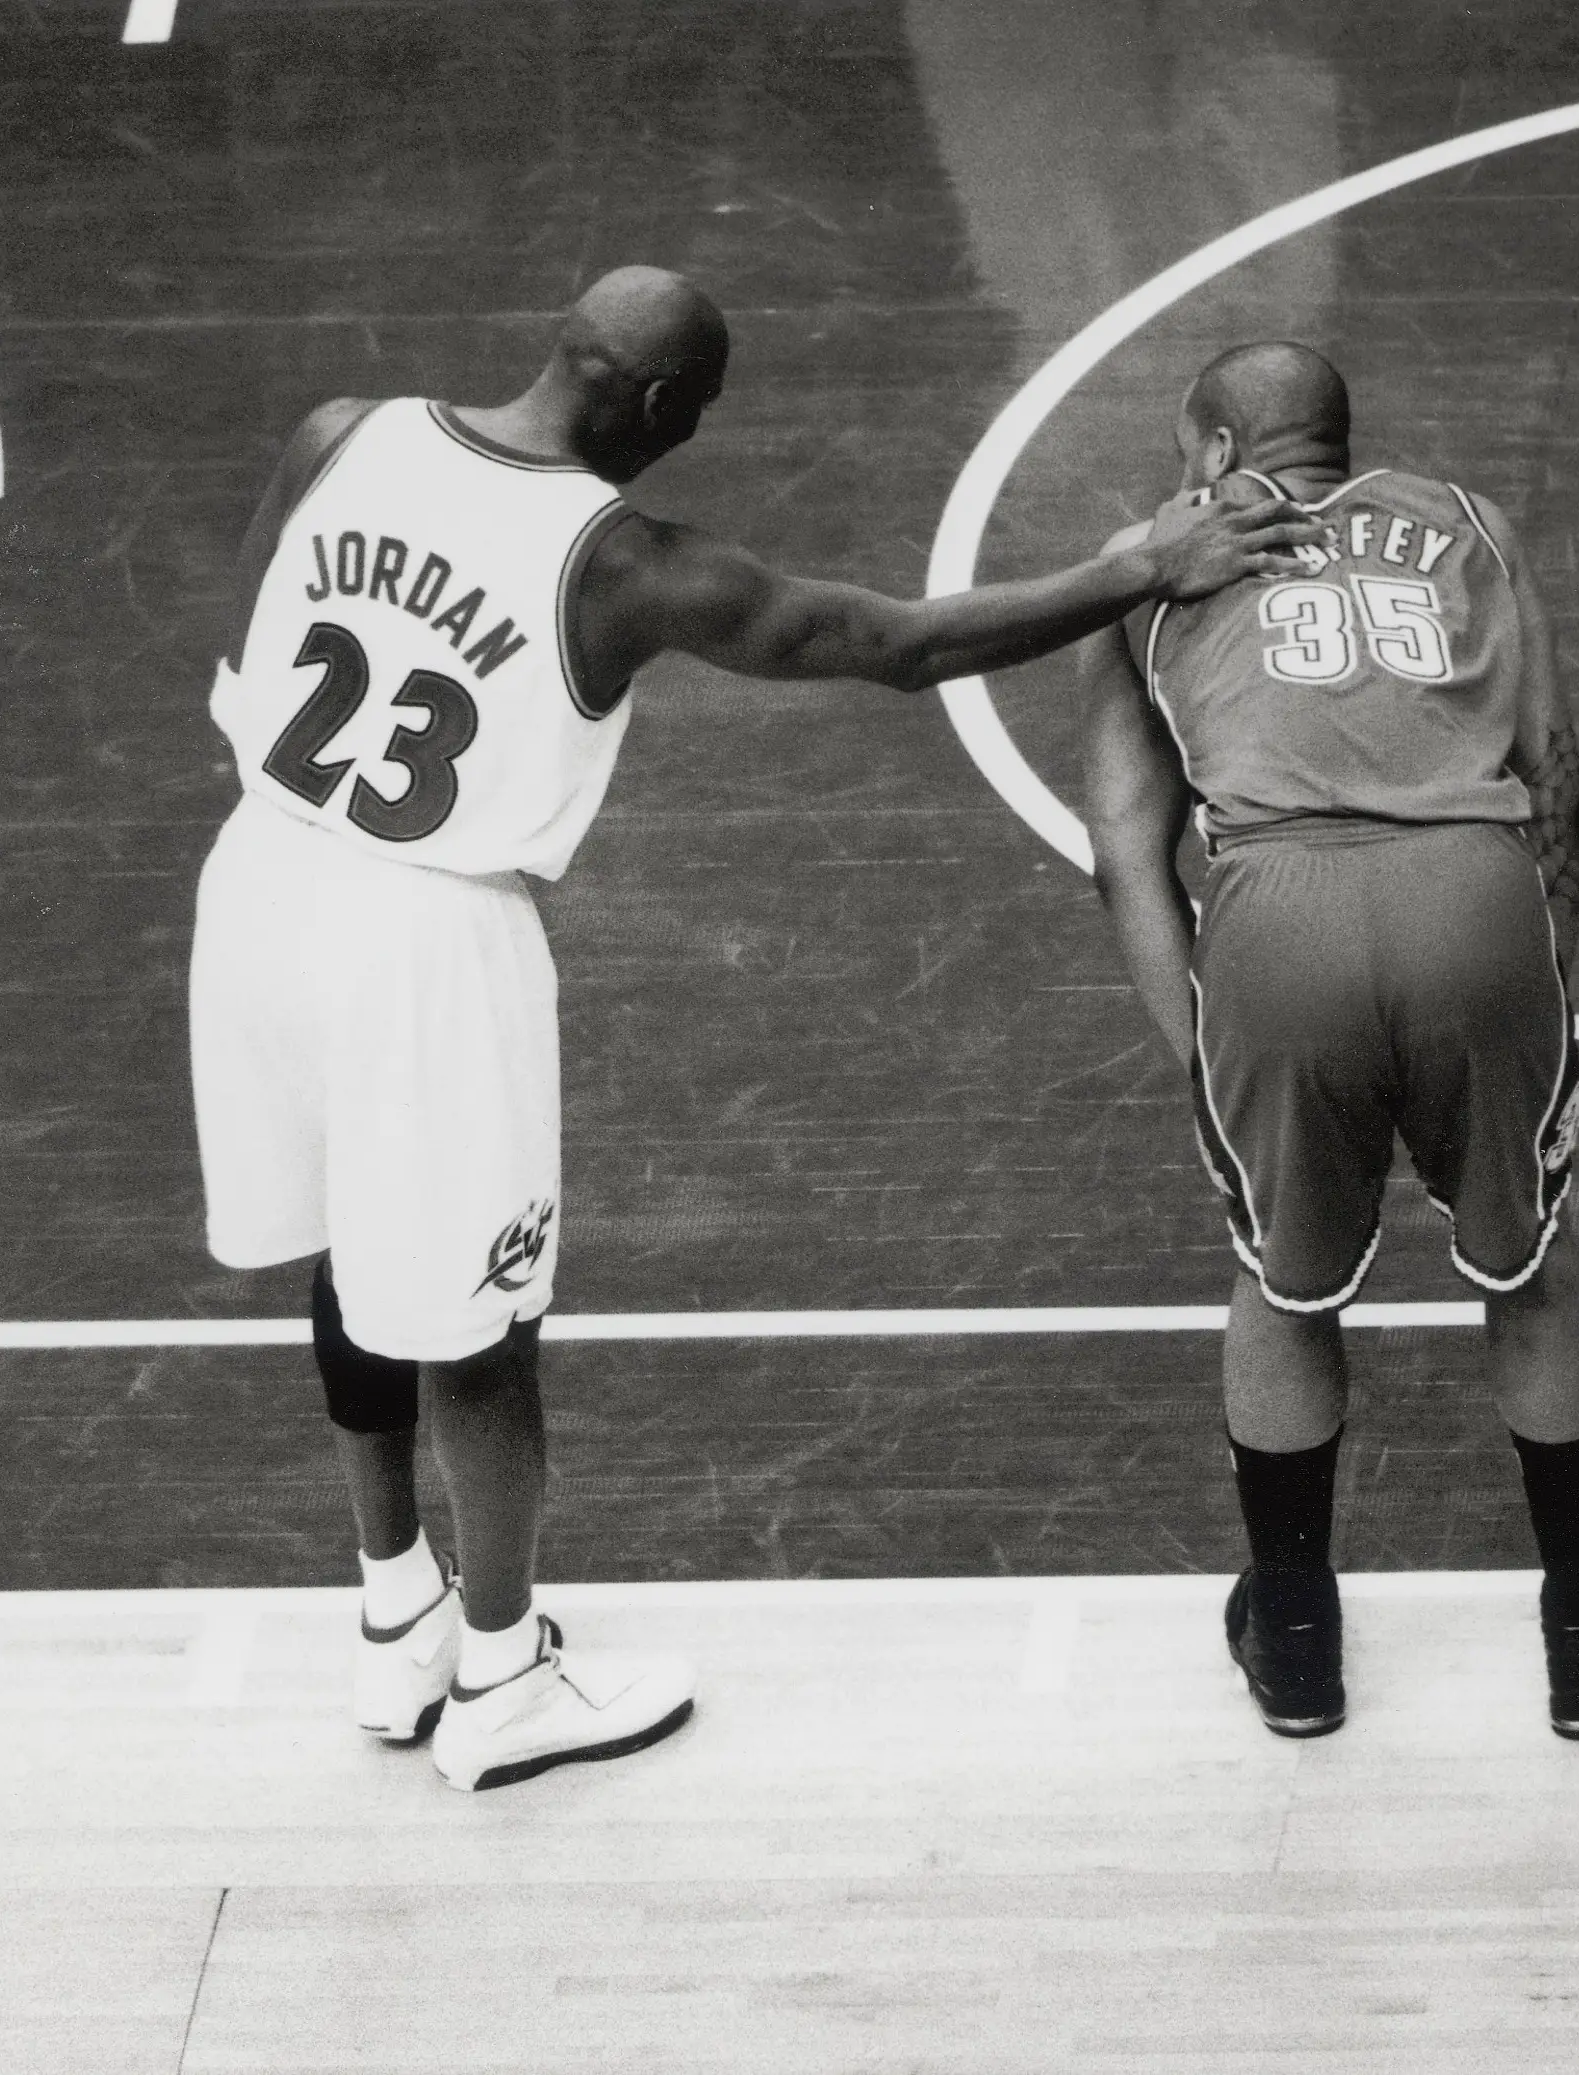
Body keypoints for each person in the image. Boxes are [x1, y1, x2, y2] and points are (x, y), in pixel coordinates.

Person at [194, 267, 1327, 1792]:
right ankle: (504, 1672)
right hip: (428, 938)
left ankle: (393, 1607)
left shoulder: (346, 431)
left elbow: (250, 656)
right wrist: (1136, 564)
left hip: (263, 876)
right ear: (662, 409)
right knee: (478, 1323)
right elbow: (898, 642)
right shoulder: (626, 565)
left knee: (353, 1244)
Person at [1075, 342, 1579, 1741]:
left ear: (1217, 452)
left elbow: (1120, 839)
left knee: (1279, 1285)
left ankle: (1295, 1645)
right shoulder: (1468, 519)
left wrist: (1198, 1034)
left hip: (1279, 927)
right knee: (1533, 1264)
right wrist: (1540, 978)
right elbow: (1556, 769)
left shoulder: (1151, 560)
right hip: (1475, 900)